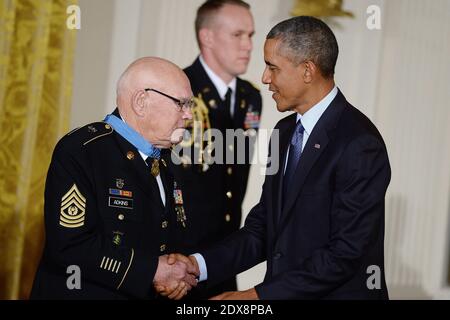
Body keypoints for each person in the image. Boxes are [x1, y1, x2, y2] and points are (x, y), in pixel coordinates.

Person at [164, 16, 391, 300]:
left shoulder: (359, 143)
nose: (264, 78)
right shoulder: (284, 132)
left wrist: (255, 296)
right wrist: (198, 265)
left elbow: (345, 254)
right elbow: (263, 228)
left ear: (307, 70)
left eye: (273, 67)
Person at [30, 57, 199, 299]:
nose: (189, 115)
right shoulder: (83, 150)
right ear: (141, 101)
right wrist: (151, 270)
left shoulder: (169, 160)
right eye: (181, 104)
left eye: (190, 104)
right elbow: (70, 246)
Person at [170, 0, 262, 298]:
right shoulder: (177, 89)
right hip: (178, 257)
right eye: (238, 35)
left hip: (224, 255)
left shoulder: (250, 97)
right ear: (207, 37)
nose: (248, 45)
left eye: (250, 35)